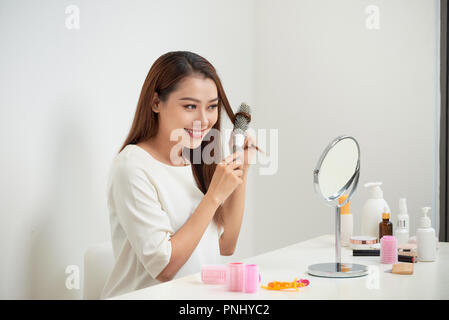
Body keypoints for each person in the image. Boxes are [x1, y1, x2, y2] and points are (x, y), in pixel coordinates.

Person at [100, 51, 257, 299]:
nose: (204, 120)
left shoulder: (192, 158)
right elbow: (164, 267)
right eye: (190, 106)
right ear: (155, 103)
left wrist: (242, 169)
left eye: (212, 107)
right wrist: (214, 195)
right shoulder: (131, 167)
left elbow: (227, 245)